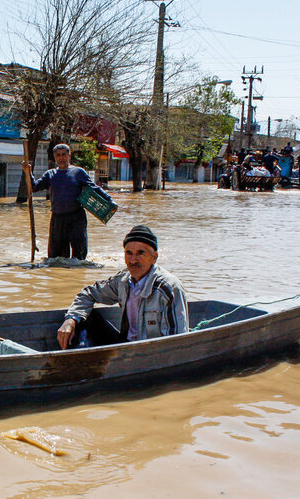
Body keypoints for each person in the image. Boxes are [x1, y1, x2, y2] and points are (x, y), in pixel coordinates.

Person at [56, 225, 189, 349]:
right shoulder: (123, 281)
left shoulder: (168, 288)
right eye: (129, 253)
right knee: (86, 317)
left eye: (140, 253)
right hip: (126, 347)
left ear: (154, 257)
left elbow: (177, 342)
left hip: (150, 353)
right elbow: (88, 294)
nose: (132, 260)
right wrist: (71, 320)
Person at [24, 143, 116, 260]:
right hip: (57, 219)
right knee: (56, 258)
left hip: (76, 218)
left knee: (79, 256)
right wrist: (28, 172)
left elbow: (94, 188)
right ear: (55, 157)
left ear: (69, 156)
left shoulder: (78, 172)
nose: (61, 158)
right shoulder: (50, 174)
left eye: (64, 155)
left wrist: (109, 200)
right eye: (58, 155)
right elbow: (34, 187)